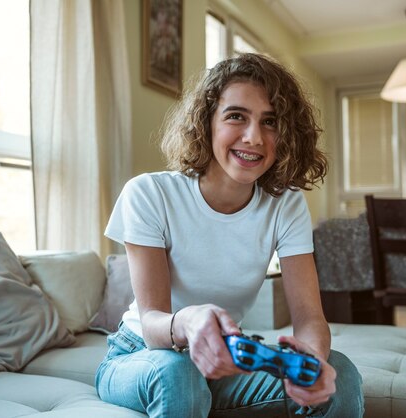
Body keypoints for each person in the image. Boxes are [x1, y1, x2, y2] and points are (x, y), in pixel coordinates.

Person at [95, 53, 364, 417]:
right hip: (143, 355)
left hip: (226, 360)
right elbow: (153, 324)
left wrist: (309, 364)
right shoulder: (149, 194)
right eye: (236, 115)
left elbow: (309, 318)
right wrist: (189, 320)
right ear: (206, 122)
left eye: (270, 122)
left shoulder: (285, 205)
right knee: (178, 373)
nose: (253, 137)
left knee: (341, 372)